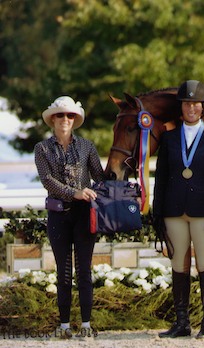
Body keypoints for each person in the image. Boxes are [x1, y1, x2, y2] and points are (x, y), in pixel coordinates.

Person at [153, 80, 204, 339]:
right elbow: (161, 177)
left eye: (196, 103)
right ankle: (182, 323)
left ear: (203, 106)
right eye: (187, 103)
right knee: (178, 265)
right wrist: (157, 211)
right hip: (174, 209)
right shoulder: (169, 138)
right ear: (181, 107)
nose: (191, 108)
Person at [34, 96, 105, 339]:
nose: (65, 119)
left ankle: (86, 324)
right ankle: (64, 325)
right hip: (58, 215)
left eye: (70, 115)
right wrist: (74, 192)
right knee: (63, 273)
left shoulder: (87, 146)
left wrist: (123, 169)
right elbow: (47, 181)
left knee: (84, 271)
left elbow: (100, 176)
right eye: (61, 115)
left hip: (84, 215)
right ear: (53, 119)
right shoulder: (41, 148)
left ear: (75, 120)